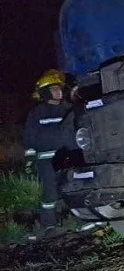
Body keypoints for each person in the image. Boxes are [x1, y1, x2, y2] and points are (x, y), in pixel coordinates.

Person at [23, 69, 74, 240]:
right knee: (50, 193)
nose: (58, 92)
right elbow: (30, 137)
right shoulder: (37, 112)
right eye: (54, 89)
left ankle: (78, 219)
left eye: (59, 89)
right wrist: (30, 160)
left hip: (66, 158)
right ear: (45, 92)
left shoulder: (69, 109)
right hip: (46, 160)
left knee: (72, 187)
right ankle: (49, 226)